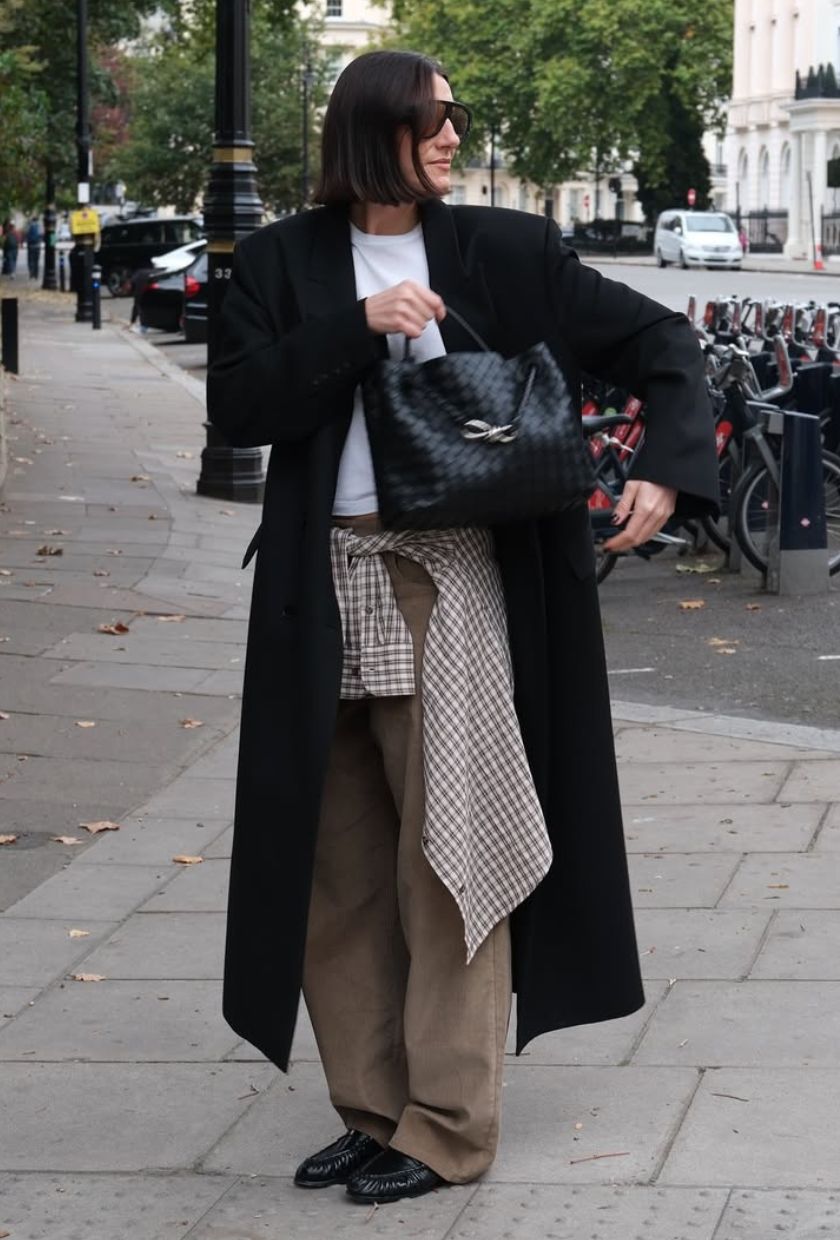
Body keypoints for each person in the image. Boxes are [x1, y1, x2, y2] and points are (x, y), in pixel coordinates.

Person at [207, 49, 719, 1207]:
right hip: (317, 591)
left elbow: (659, 344)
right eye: (432, 118)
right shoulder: (285, 260)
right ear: (372, 131)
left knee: (452, 860)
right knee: (335, 873)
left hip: (448, 584)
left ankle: (447, 1124)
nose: (451, 136)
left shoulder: (507, 249)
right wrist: (355, 324)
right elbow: (239, 407)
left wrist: (668, 473)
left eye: (456, 118)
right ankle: (374, 1107)